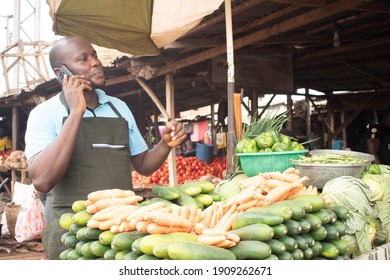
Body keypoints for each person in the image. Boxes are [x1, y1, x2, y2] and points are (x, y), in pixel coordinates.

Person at [24, 36, 186, 260]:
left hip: (120, 226)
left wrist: (165, 144)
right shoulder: (44, 114)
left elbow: (143, 165)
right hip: (70, 229)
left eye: (95, 55)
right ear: (61, 73)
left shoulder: (119, 108)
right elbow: (42, 179)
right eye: (84, 59)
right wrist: (75, 113)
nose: (95, 62)